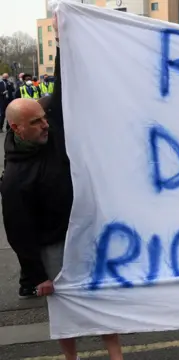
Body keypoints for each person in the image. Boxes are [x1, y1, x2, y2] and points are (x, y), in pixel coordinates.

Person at [0, 18, 125, 359]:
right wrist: (36, 275)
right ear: (16, 128)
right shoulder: (14, 178)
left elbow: (66, 83)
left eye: (44, 117)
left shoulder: (49, 125)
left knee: (98, 296)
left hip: (82, 231)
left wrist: (63, 39)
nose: (45, 125)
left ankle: (115, 353)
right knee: (65, 307)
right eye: (36, 122)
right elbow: (18, 231)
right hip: (52, 246)